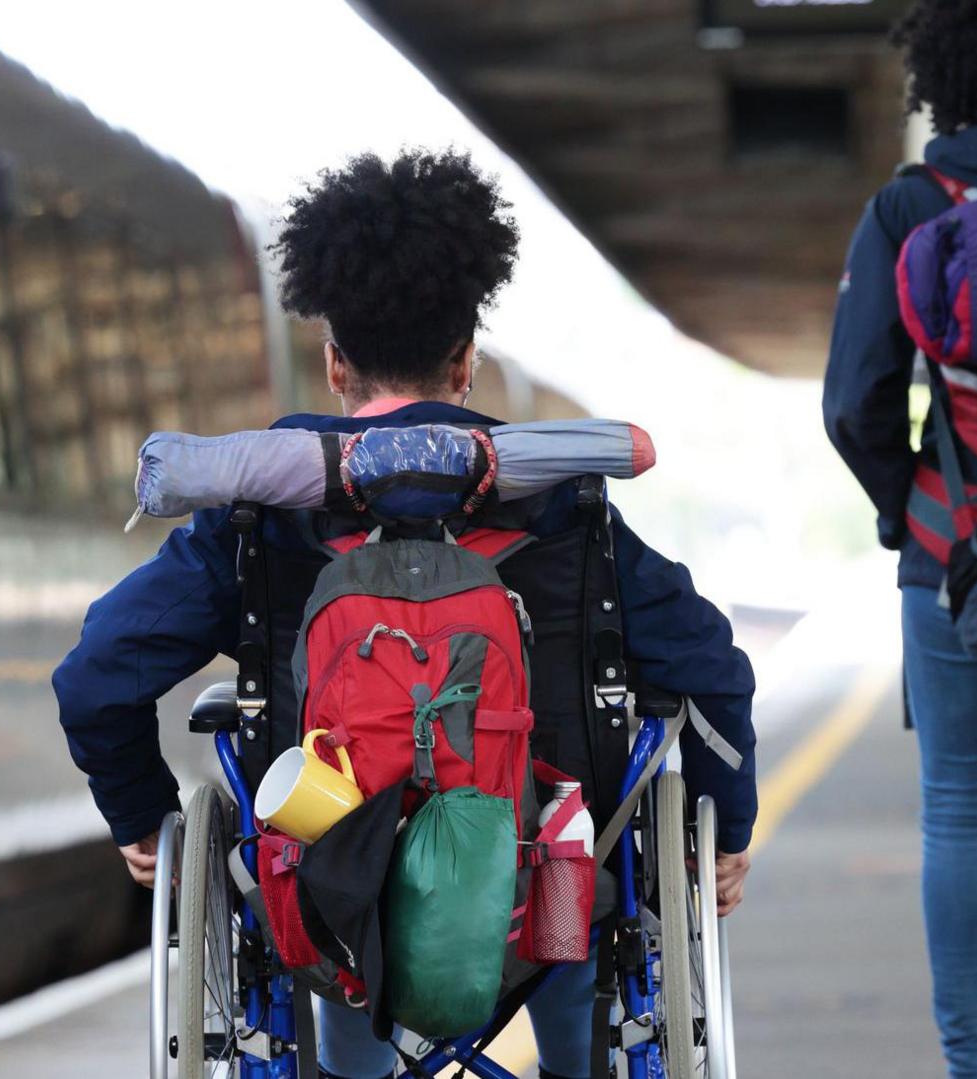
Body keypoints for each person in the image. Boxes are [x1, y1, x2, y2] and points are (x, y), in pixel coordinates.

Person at [53, 149, 758, 1079]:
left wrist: (143, 819)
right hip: (537, 897)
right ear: (466, 361)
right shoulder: (559, 503)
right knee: (570, 843)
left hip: (326, 895)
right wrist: (730, 831)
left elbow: (97, 673)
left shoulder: (264, 510)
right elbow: (710, 670)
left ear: (334, 360)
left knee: (316, 888)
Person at [822, 2, 977, 1073]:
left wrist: (912, 508)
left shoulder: (910, 208)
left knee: (962, 812)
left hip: (953, 556)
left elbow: (854, 403)